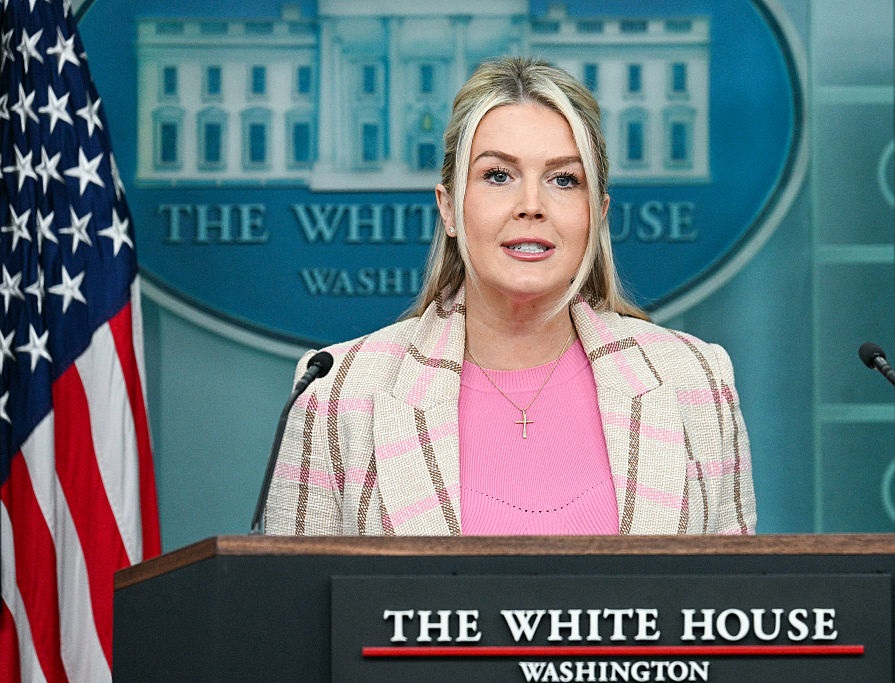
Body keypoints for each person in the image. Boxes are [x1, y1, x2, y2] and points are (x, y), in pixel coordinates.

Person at [265, 56, 755, 536]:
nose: (531, 206)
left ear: (598, 213)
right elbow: (295, 590)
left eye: (564, 180)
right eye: (498, 175)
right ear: (449, 208)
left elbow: (737, 589)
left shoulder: (696, 379)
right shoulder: (337, 393)